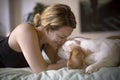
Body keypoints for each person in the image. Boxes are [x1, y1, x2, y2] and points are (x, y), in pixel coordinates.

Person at [0, 3, 76, 73]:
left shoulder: (48, 42)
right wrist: (71, 63)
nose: (64, 40)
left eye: (66, 37)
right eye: (62, 37)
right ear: (47, 29)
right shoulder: (25, 31)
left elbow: (56, 62)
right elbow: (41, 70)